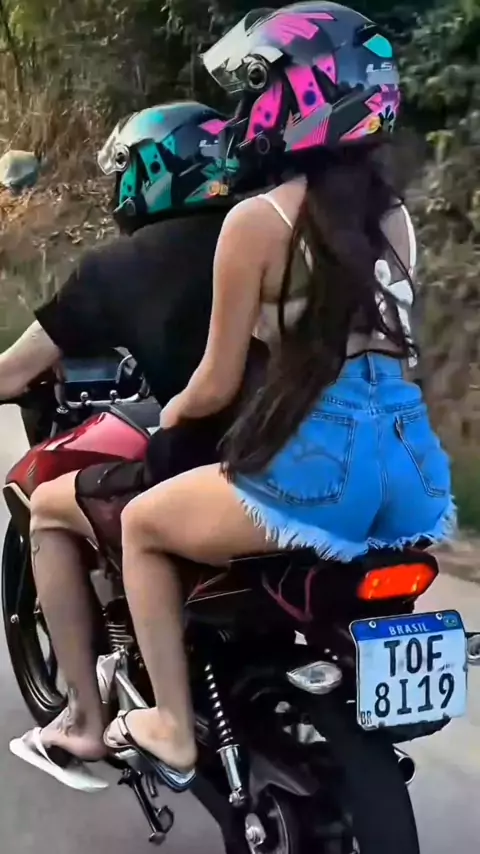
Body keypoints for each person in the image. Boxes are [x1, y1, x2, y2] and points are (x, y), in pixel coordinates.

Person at [92, 2, 454, 789]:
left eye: (255, 89)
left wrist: (169, 419)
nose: (244, 110)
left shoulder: (255, 222)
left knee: (144, 526)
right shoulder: (394, 217)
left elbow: (216, 384)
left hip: (320, 472)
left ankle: (170, 727)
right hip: (412, 473)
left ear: (297, 96)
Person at [8, 100, 268, 790]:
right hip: (329, 457)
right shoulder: (277, 228)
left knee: (51, 508)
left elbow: (13, 371)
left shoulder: (118, 267)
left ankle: (84, 722)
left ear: (143, 174)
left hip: (228, 474)